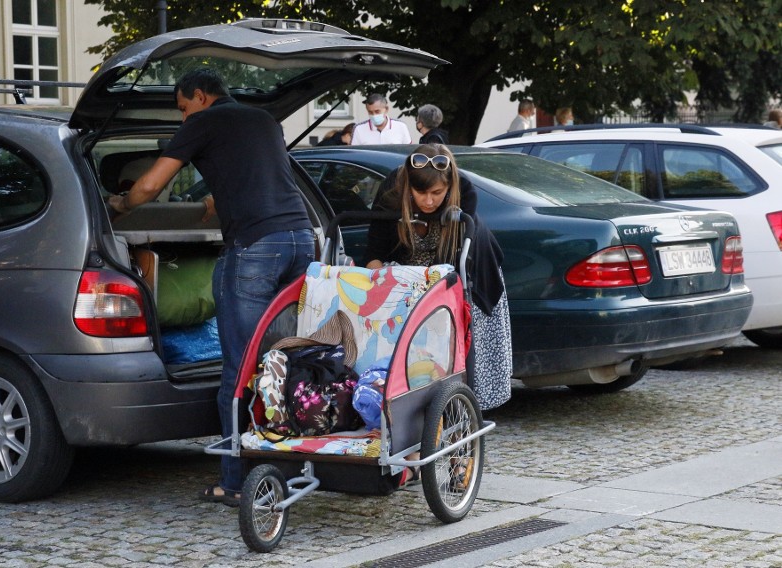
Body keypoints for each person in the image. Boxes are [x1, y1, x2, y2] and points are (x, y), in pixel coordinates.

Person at [108, 68, 315, 507]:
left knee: (239, 369)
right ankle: (292, 463)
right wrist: (212, 201)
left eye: (183, 109)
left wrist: (120, 205)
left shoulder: (203, 123)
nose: (184, 119)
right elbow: (257, 176)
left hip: (256, 246)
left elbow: (149, 185)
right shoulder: (263, 121)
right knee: (285, 357)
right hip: (301, 240)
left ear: (199, 97)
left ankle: (236, 482)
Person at [364, 144, 512, 411]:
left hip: (467, 275)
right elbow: (374, 251)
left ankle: (465, 411)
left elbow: (458, 263)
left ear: (448, 188)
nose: (429, 201)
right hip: (415, 280)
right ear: (408, 187)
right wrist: (380, 282)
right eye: (421, 193)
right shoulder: (391, 192)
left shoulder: (464, 191)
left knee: (460, 349)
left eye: (437, 193)